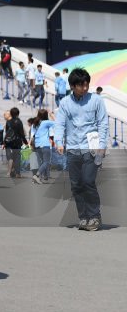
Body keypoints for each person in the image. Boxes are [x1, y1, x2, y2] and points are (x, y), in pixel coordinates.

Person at [53, 68, 108, 231]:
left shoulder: (96, 100)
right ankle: (84, 217)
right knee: (76, 184)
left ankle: (95, 216)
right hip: (72, 149)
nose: (85, 88)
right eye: (82, 85)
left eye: (87, 85)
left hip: (91, 148)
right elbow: (60, 123)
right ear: (72, 86)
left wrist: (102, 145)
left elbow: (103, 123)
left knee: (88, 182)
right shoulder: (64, 103)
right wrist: (58, 141)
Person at [31, 110, 55, 184]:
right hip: (45, 144)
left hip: (37, 145)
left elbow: (32, 136)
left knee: (43, 162)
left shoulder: (34, 124)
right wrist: (52, 115)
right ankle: (37, 175)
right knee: (47, 162)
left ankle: (42, 177)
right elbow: (58, 123)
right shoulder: (46, 122)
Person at [4, 108, 26, 178]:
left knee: (10, 157)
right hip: (17, 141)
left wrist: (4, 142)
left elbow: (7, 132)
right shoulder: (19, 122)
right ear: (18, 113)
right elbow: (21, 133)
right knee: (17, 157)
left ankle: (10, 171)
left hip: (8, 142)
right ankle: (17, 173)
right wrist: (25, 141)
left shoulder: (8, 122)